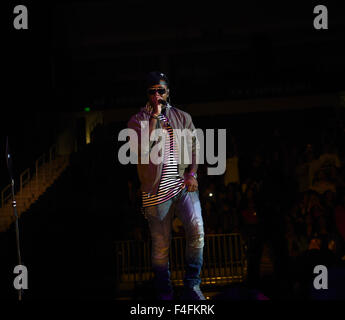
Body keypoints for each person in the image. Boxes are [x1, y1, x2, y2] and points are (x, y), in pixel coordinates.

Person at [127, 71, 205, 300]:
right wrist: (154, 118)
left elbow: (194, 148)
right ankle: (164, 293)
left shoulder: (183, 117)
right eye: (152, 91)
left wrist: (192, 173)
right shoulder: (136, 121)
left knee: (197, 231)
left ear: (167, 92)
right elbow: (142, 149)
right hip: (155, 191)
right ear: (147, 94)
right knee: (161, 245)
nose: (156, 95)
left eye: (160, 90)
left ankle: (192, 285)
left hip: (182, 185)